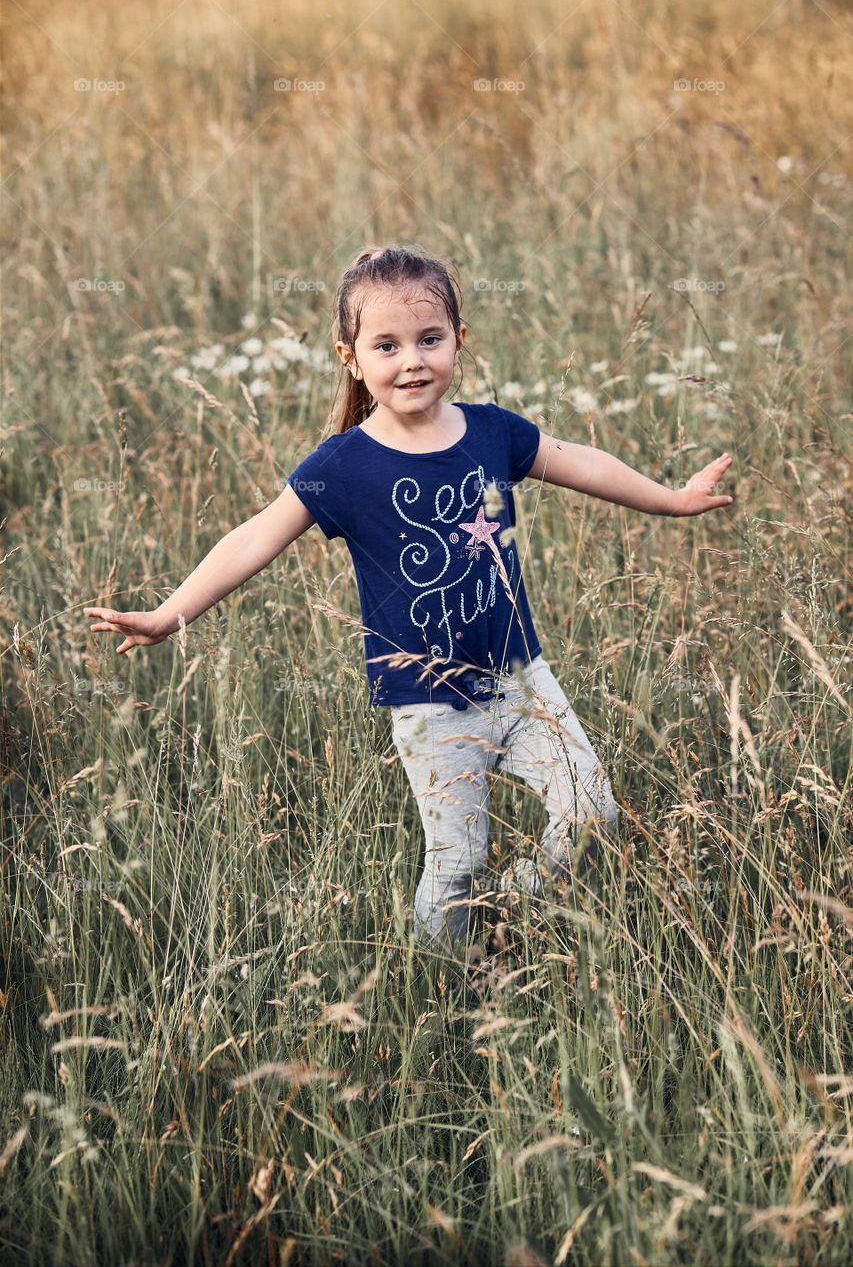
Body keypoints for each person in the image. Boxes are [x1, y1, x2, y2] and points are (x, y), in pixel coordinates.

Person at [84, 244, 733, 955]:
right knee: (455, 863)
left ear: (459, 339)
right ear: (351, 358)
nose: (412, 361)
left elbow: (579, 460)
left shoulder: (491, 431)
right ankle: (441, 981)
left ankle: (510, 910)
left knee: (592, 814)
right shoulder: (343, 465)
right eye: (386, 345)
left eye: (429, 339)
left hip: (522, 680)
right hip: (426, 704)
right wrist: (166, 614)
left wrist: (670, 500)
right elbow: (252, 539)